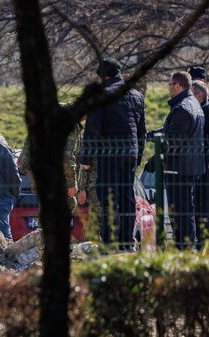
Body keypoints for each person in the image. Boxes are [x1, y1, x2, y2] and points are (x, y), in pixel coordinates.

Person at [80, 58, 146, 250]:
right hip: (130, 154)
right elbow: (142, 130)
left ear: (103, 77)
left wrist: (86, 159)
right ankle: (128, 242)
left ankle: (109, 243)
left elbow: (92, 129)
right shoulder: (136, 95)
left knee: (107, 197)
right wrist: (138, 155)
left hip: (109, 154)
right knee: (127, 197)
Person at [158, 72, 205, 249]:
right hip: (191, 167)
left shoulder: (182, 108)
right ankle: (186, 248)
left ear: (177, 85)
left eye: (170, 84)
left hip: (179, 169)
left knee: (180, 213)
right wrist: (152, 135)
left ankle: (184, 249)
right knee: (186, 211)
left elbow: (173, 140)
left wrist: (158, 144)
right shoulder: (194, 104)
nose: (168, 88)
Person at [191, 80, 209, 249]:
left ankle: (202, 240)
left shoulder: (204, 111)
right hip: (200, 164)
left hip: (204, 166)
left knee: (202, 205)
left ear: (200, 95)